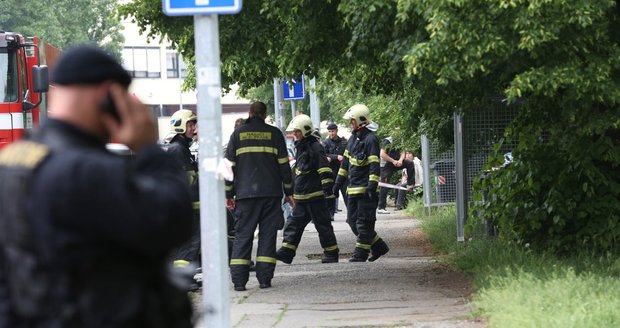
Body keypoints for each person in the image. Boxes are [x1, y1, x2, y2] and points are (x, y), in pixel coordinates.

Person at [0, 45, 194, 327]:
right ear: (107, 96)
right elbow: (171, 220)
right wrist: (148, 148)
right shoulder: (86, 169)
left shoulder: (12, 162)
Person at [225, 101, 295, 291]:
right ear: (264, 115)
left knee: (243, 236)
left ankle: (239, 282)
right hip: (271, 196)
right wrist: (289, 192)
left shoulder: (237, 134)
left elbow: (228, 166)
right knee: (267, 237)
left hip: (245, 196)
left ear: (250, 113)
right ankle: (264, 279)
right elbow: (284, 167)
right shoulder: (274, 134)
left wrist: (228, 193)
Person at [275, 115, 339, 264]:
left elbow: (324, 169)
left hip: (315, 197)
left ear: (305, 130)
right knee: (293, 225)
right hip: (302, 197)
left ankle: (331, 253)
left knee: (323, 225)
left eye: (297, 132)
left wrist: (327, 190)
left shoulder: (316, 147)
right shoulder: (302, 147)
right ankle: (287, 252)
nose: (295, 135)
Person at [333, 104, 390, 262]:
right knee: (352, 222)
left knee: (364, 223)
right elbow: (345, 164)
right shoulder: (352, 139)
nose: (350, 124)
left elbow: (374, 164)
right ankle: (379, 246)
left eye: (352, 121)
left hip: (366, 190)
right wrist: (337, 184)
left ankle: (361, 254)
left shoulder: (371, 140)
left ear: (361, 121)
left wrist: (372, 185)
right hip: (352, 190)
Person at [165, 109, 201, 272]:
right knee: (189, 244)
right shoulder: (178, 150)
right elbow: (187, 180)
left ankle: (185, 278)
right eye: (191, 125)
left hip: (186, 206)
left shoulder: (181, 148)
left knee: (189, 245)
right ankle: (184, 279)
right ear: (180, 126)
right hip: (186, 207)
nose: (194, 129)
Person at [377, 136, 416, 214]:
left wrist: (400, 161)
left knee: (410, 163)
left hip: (397, 162)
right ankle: (381, 207)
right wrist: (393, 161)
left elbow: (403, 152)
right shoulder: (387, 141)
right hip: (386, 164)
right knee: (384, 184)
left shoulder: (400, 140)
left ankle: (410, 184)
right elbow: (382, 154)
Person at [323, 122, 348, 219]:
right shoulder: (326, 143)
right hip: (331, 171)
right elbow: (324, 155)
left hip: (343, 171)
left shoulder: (343, 142)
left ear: (336, 131)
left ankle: (351, 213)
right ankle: (330, 213)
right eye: (329, 131)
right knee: (331, 193)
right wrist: (335, 157)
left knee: (346, 192)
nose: (331, 133)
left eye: (333, 131)